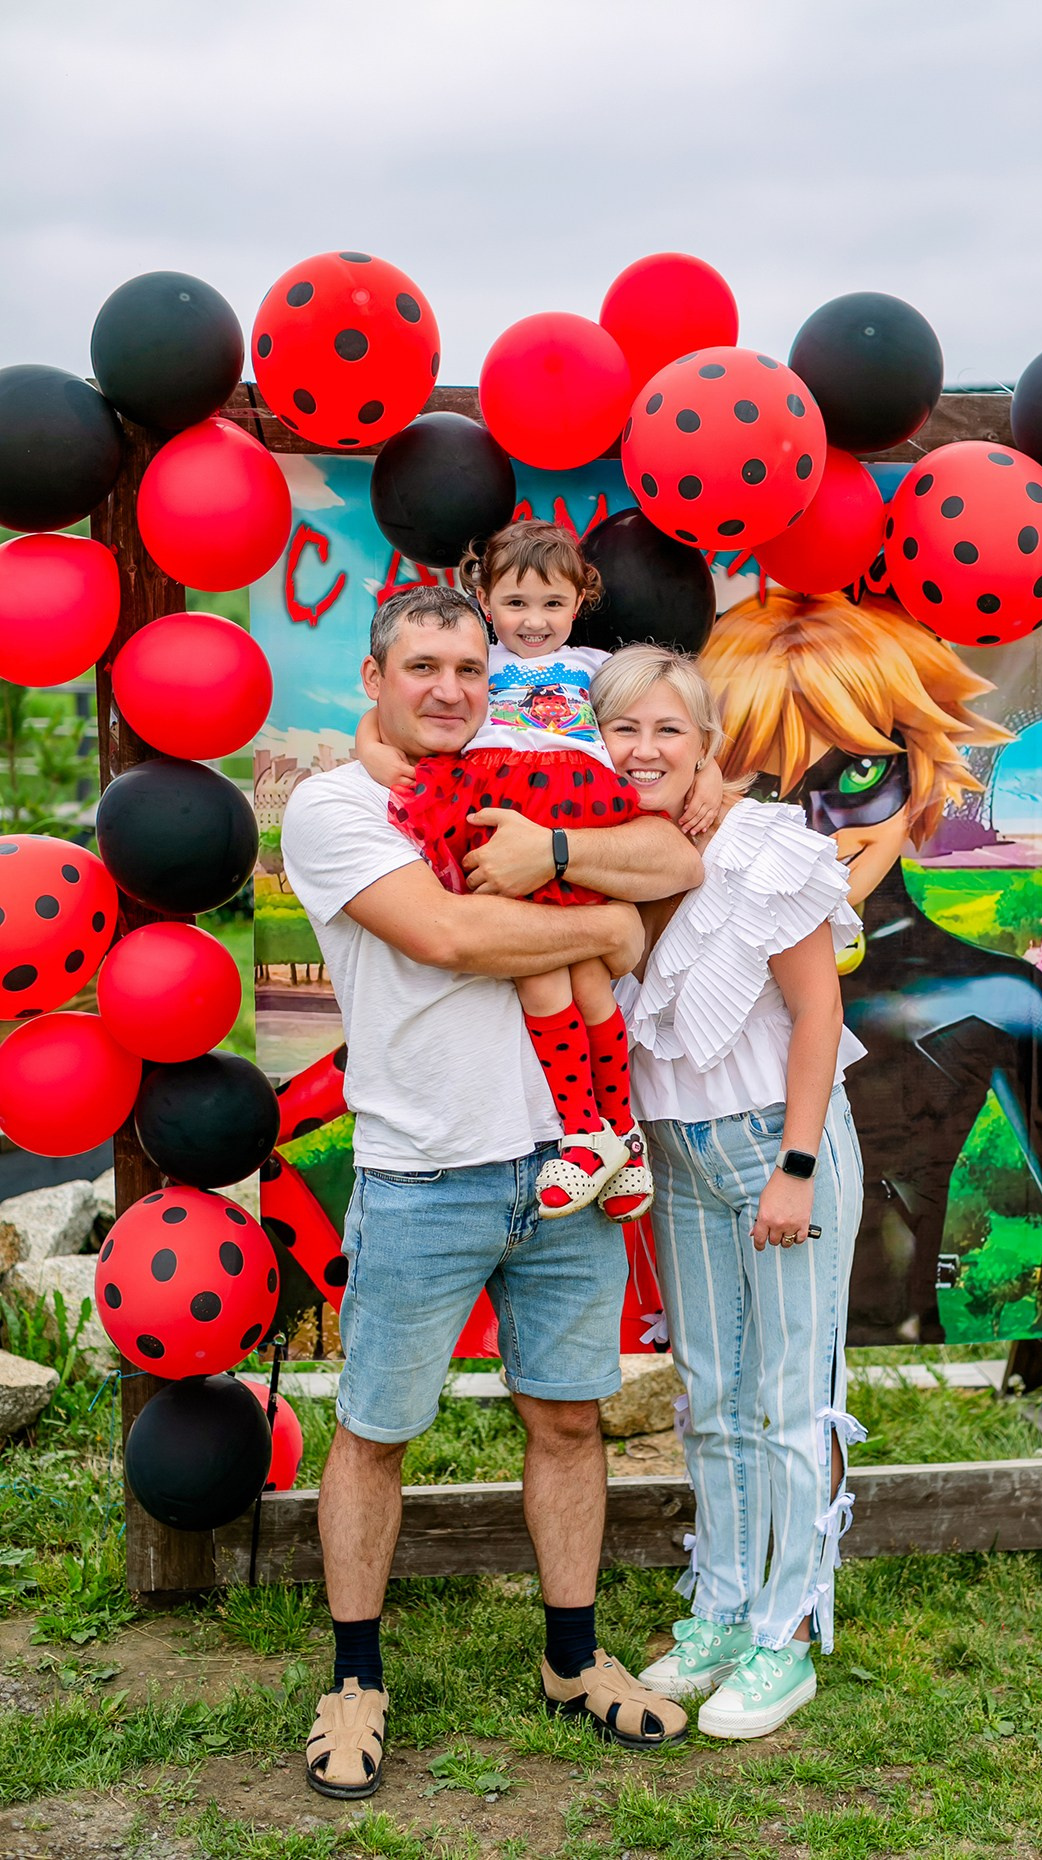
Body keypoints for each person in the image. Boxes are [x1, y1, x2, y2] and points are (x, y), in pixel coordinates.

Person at [282, 586, 703, 1798]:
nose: (451, 689)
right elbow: (449, 938)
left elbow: (673, 851)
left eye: (470, 667)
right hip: (424, 1171)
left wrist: (564, 861)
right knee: (376, 1431)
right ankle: (354, 1678)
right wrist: (609, 925)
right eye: (423, 666)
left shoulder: (530, 772)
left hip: (572, 1169)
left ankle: (573, 1658)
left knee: (569, 1417)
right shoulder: (336, 807)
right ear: (374, 678)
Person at [699, 589, 1042, 1343]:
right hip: (726, 1341)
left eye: (858, 777)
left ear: (920, 769)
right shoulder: (694, 983)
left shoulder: (999, 1002)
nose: (816, 829)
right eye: (768, 788)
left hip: (887, 1331)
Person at [593, 644, 867, 1739]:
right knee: (711, 1393)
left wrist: (796, 1164)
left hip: (774, 1146)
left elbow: (815, 1015)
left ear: (707, 743)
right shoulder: (611, 857)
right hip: (679, 1155)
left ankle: (784, 1633)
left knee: (790, 1398)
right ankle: (718, 1608)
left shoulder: (762, 851)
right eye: (623, 729)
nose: (644, 749)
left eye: (667, 730)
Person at [356, 520, 721, 1224]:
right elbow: (381, 719)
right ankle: (586, 1132)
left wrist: (706, 777)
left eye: (552, 604)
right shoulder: (478, 666)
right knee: (541, 970)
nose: (534, 621)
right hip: (496, 808)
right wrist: (372, 751)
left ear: (580, 601)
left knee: (590, 980)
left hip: (578, 813)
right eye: (517, 603)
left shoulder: (595, 667)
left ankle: (618, 1132)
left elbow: (672, 717)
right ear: (485, 600)